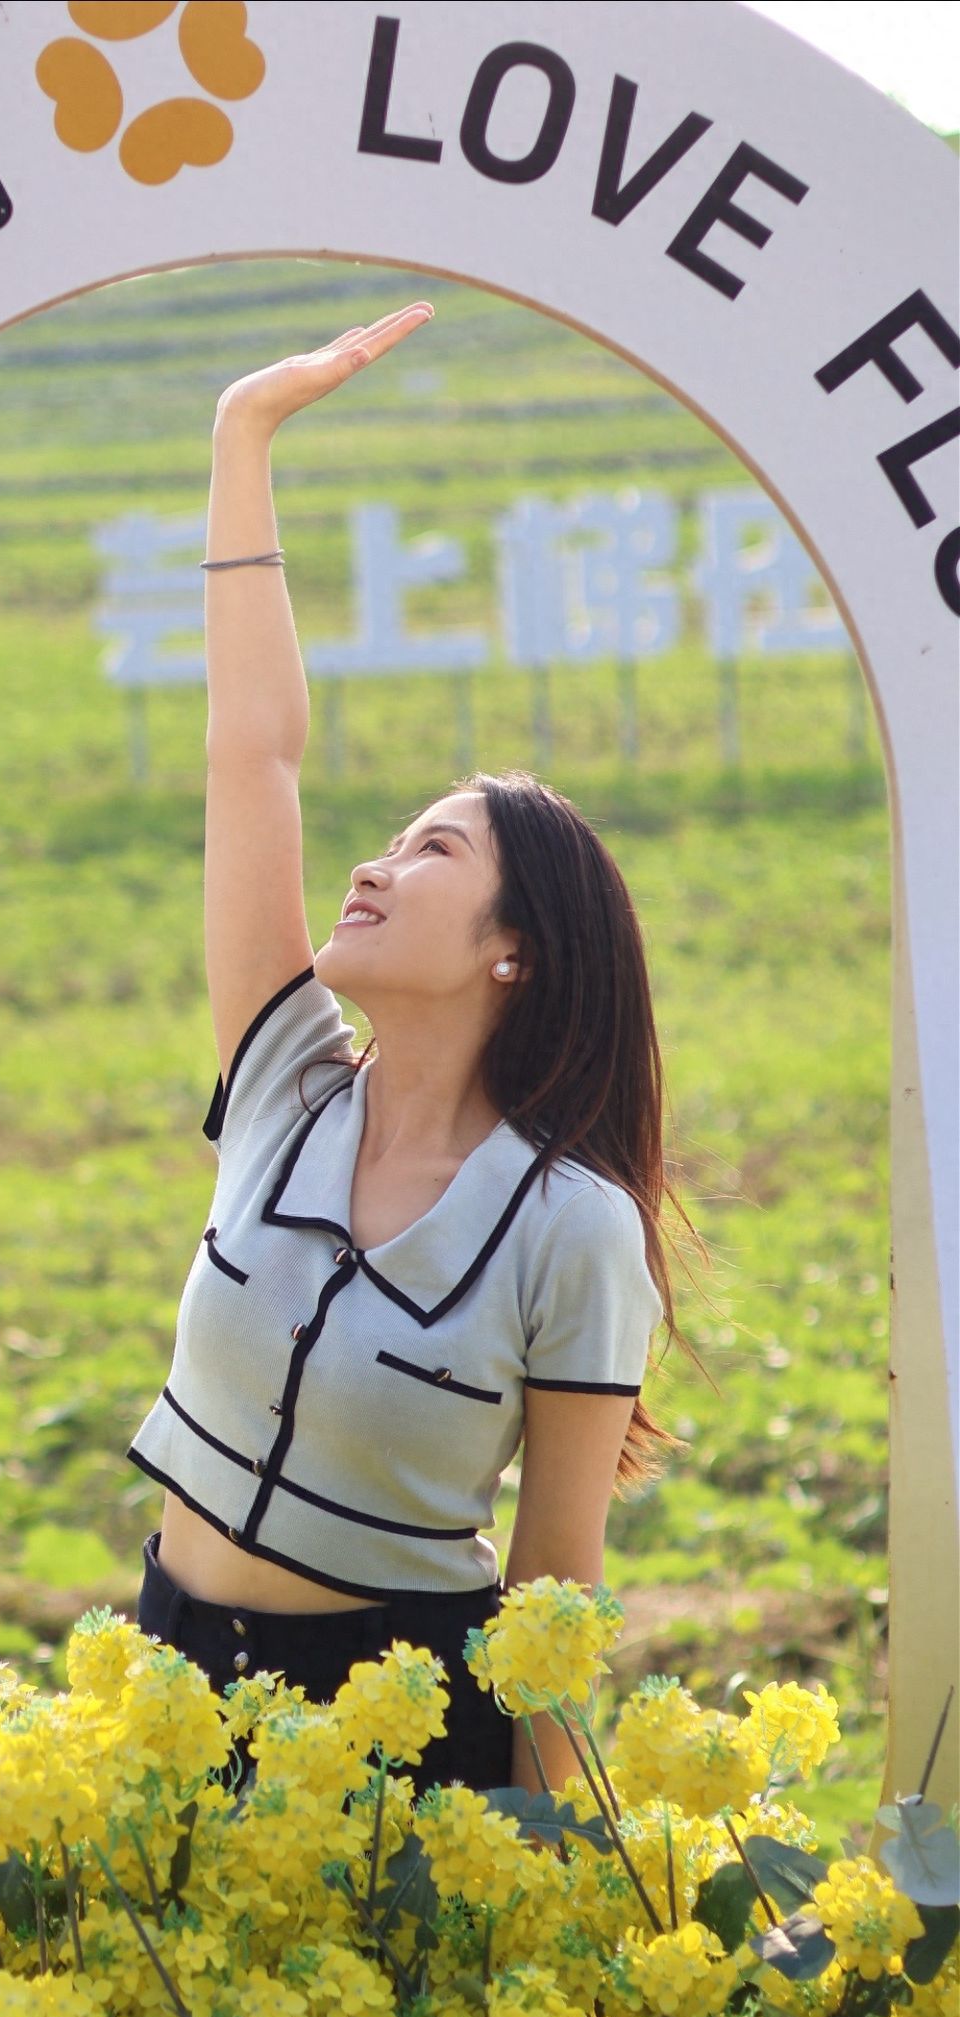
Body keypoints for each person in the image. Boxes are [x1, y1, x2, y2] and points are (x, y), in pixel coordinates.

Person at [129, 301, 701, 1800]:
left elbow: (555, 1589)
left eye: (430, 848)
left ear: (515, 948)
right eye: (386, 842)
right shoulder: (285, 1080)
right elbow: (252, 749)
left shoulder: (569, 1227)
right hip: (168, 1679)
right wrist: (241, 434)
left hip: (396, 1750)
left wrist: (548, 1880)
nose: (373, 868)